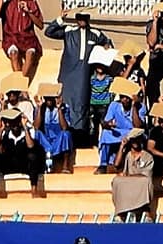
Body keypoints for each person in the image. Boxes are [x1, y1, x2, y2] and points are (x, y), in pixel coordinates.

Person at [44, 8, 112, 144]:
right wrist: (60, 19)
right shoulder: (69, 31)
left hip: (84, 77)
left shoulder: (95, 34)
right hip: (67, 75)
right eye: (80, 17)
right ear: (76, 18)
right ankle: (66, 137)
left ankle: (80, 138)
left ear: (88, 18)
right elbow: (49, 32)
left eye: (85, 17)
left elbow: (107, 43)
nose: (82, 20)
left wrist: (106, 46)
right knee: (66, 104)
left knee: (81, 106)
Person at [0, 107, 46, 198]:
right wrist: (1, 129)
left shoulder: (29, 131)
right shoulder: (5, 133)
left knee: (33, 156)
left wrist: (25, 127)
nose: (15, 124)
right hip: (9, 164)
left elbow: (30, 146)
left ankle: (34, 190)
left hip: (24, 164)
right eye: (12, 121)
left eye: (16, 121)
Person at [0, 0, 43, 81]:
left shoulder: (31, 2)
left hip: (28, 39)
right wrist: (2, 1)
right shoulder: (7, 3)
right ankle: (21, 84)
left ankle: (20, 83)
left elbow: (40, 25)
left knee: (30, 54)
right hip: (11, 38)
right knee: (13, 53)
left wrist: (29, 11)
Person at [111, 128, 155, 222]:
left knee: (145, 182)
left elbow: (146, 175)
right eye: (133, 139)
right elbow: (116, 165)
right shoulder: (127, 155)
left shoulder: (147, 156)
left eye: (137, 139)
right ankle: (121, 213)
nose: (135, 142)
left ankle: (145, 212)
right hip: (128, 183)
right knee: (116, 180)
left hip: (140, 183)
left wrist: (129, 177)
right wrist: (122, 146)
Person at [97, 81, 139, 174]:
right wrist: (108, 124)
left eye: (127, 98)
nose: (125, 100)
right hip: (118, 132)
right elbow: (106, 123)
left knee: (137, 134)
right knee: (105, 133)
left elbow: (138, 126)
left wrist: (134, 106)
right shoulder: (114, 105)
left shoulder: (140, 107)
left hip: (132, 132)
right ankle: (103, 164)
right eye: (123, 97)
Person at [34, 84, 72, 173]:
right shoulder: (41, 108)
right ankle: (44, 164)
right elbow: (36, 127)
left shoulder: (64, 107)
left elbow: (64, 127)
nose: (49, 101)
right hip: (46, 139)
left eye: (51, 98)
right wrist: (39, 108)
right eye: (47, 98)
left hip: (58, 137)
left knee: (66, 134)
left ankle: (65, 165)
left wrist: (59, 109)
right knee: (36, 134)